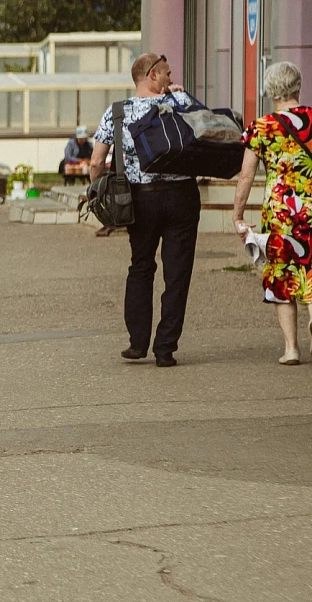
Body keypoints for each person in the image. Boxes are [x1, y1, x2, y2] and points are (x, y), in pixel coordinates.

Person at [90, 53, 201, 368]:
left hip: (140, 199)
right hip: (182, 197)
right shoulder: (179, 103)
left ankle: (137, 344)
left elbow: (97, 161)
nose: (170, 77)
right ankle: (165, 348)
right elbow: (208, 130)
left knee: (141, 266)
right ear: (153, 75)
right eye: (166, 72)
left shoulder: (117, 113)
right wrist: (180, 96)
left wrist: (97, 193)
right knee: (177, 273)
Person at [234, 61, 312, 365]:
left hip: (279, 213)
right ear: (297, 86)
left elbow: (246, 175)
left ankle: (291, 347)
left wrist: (237, 215)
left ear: (270, 90)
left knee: (281, 275)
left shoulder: (262, 127)